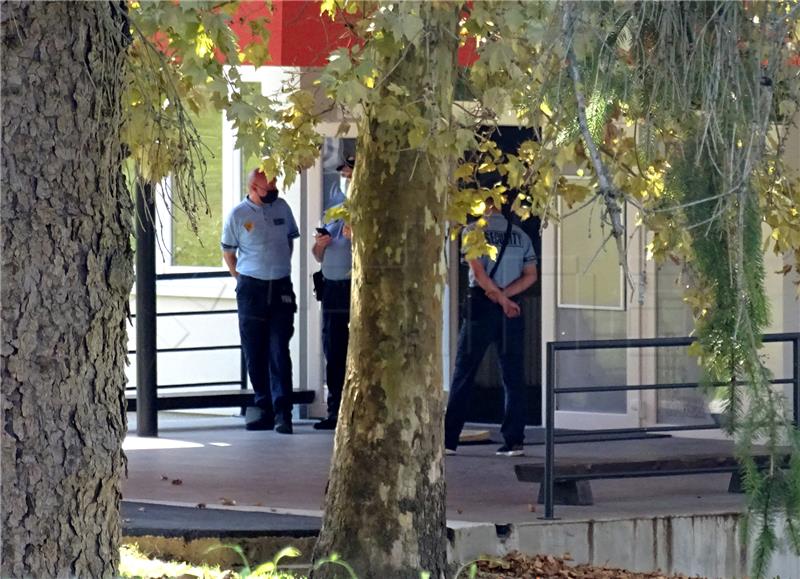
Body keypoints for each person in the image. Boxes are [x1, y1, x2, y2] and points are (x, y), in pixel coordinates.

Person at [444, 199, 538, 456]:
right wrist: (508, 298)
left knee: (464, 371)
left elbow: (479, 273)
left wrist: (498, 297)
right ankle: (514, 440)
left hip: (482, 306)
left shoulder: (472, 232)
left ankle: (449, 439)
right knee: (512, 374)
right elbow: (531, 275)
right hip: (512, 309)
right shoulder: (520, 235)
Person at [221, 169, 299, 434]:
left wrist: (279, 267)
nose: (274, 191)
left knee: (279, 349)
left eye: (275, 185)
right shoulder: (238, 215)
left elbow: (289, 242)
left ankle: (282, 413)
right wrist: (241, 279)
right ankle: (263, 406)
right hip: (251, 288)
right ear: (253, 187)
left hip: (280, 286)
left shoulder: (283, 208)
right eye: (268, 188)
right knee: (254, 352)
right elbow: (228, 252)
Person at [311, 155, 354, 430]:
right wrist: (321, 245)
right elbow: (316, 255)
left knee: (356, 350)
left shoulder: (365, 210)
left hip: (354, 287)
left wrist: (357, 237)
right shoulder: (332, 209)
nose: (345, 178)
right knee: (333, 350)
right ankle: (334, 411)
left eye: (349, 174)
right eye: (343, 174)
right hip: (331, 287)